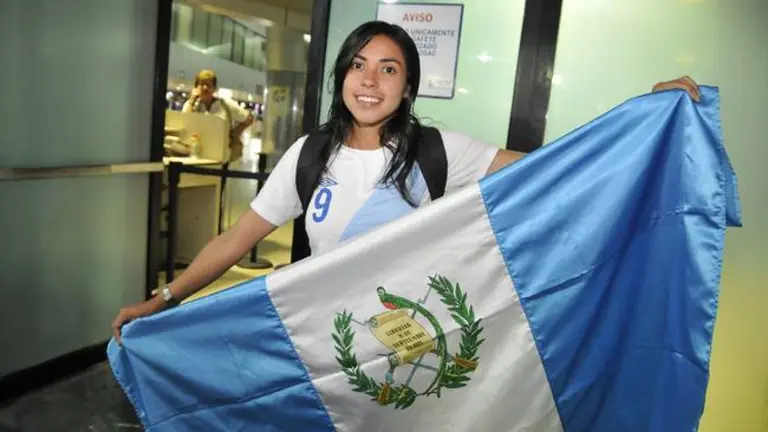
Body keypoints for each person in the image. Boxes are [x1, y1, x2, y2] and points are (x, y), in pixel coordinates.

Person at [112, 21, 700, 342]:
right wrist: (161, 301)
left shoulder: (438, 151)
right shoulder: (309, 155)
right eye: (358, 65)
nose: (370, 81)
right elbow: (233, 241)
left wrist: (642, 119)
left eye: (388, 69)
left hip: (410, 341)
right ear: (342, 77)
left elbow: (554, 168)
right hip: (329, 342)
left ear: (408, 86)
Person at [182, 69, 254, 161]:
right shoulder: (190, 105)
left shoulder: (226, 104)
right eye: (201, 84)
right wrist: (192, 100)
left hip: (221, 158)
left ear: (214, 88)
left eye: (208, 85)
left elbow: (249, 118)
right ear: (196, 87)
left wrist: (234, 133)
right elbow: (185, 123)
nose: (205, 88)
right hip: (197, 157)